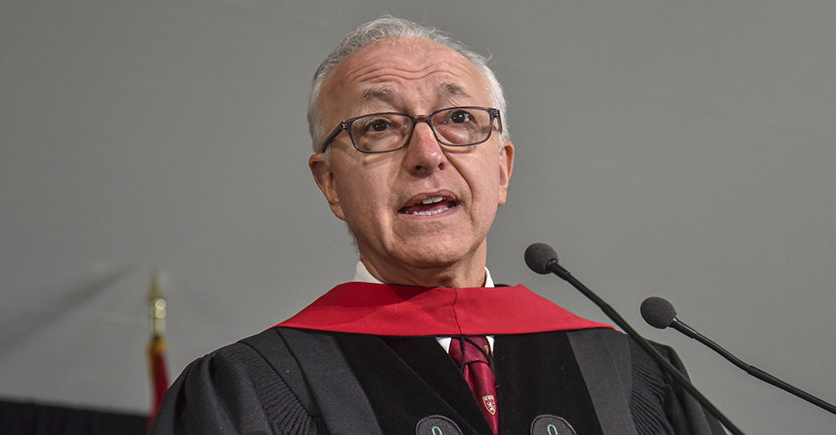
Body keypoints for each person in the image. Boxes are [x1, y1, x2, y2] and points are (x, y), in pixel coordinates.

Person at [149, 17, 725, 435]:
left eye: (458, 119)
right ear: (330, 185)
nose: (427, 154)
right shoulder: (250, 389)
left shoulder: (632, 377)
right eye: (378, 125)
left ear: (501, 169)